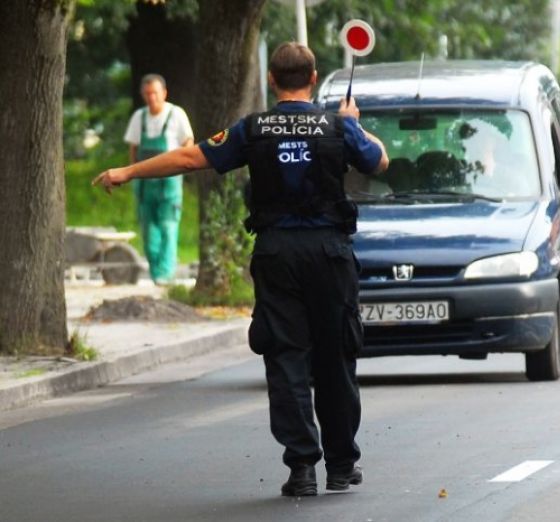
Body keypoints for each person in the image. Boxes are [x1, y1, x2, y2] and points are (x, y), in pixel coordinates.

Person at [93, 42, 389, 496]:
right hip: (329, 254)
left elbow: (191, 157)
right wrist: (354, 124)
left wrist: (128, 171)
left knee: (286, 356)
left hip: (276, 255)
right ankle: (342, 464)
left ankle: (303, 469)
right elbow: (379, 161)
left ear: (272, 80)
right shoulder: (336, 126)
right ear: (313, 78)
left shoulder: (254, 129)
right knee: (336, 355)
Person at [124, 74, 194, 284]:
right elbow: (133, 148)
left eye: (154, 93)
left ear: (163, 93)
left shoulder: (176, 114)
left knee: (167, 225)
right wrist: (131, 173)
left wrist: (184, 164)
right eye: (147, 94)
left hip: (170, 181)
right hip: (145, 182)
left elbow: (188, 141)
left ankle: (166, 273)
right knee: (148, 229)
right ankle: (156, 273)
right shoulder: (140, 117)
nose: (151, 98)